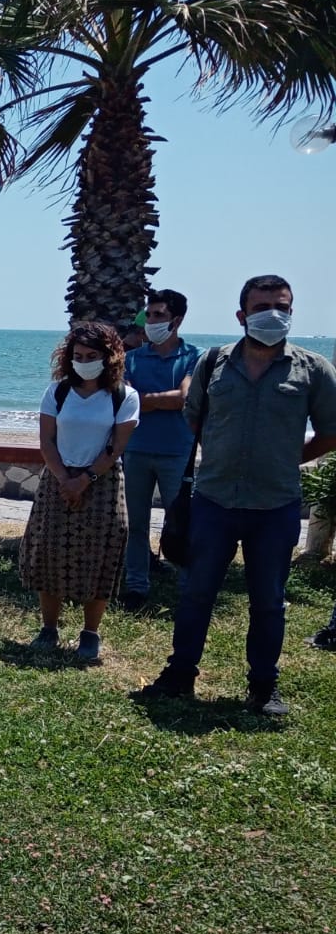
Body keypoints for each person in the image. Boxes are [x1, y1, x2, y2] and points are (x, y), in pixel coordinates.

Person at [142, 275, 336, 715]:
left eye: (281, 307)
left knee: (268, 602)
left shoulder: (313, 369)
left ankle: (263, 687)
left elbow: (330, 431)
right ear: (241, 314)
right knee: (196, 594)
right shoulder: (213, 363)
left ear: (292, 312)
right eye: (262, 306)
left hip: (276, 505)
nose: (273, 314)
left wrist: (288, 459)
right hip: (214, 502)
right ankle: (179, 675)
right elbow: (194, 418)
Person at [17, 322, 139, 663]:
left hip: (102, 483)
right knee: (50, 551)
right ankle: (49, 627)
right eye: (78, 356)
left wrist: (84, 479)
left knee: (101, 553)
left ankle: (90, 632)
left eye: (91, 356)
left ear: (109, 357)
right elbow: (46, 440)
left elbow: (116, 447)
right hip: (57, 481)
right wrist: (63, 479)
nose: (84, 362)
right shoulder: (57, 392)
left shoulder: (124, 396)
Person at [119, 288, 200, 610]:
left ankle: (189, 586)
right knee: (135, 524)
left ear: (176, 320)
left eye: (158, 315)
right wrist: (160, 400)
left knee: (182, 523)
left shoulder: (194, 357)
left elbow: (185, 398)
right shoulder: (130, 359)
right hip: (135, 449)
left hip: (177, 453)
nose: (151, 321)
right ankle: (136, 586)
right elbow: (125, 400)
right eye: (149, 315)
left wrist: (145, 400)